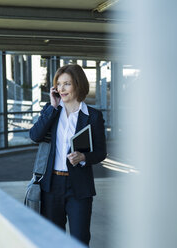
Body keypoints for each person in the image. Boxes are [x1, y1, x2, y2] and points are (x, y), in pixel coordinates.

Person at [29, 64, 107, 246]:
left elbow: (101, 153)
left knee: (80, 240)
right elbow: (35, 136)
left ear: (78, 85)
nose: (61, 89)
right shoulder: (52, 110)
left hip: (79, 187)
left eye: (67, 84)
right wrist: (53, 108)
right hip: (51, 185)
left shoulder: (93, 116)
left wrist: (84, 158)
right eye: (59, 84)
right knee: (52, 240)